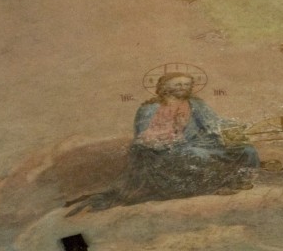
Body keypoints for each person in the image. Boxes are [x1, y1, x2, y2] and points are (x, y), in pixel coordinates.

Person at [68, 72, 259, 212]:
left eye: (187, 84)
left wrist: (233, 127)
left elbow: (213, 123)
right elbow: (143, 136)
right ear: (165, 87)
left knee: (245, 149)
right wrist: (169, 137)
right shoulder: (150, 108)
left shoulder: (197, 104)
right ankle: (215, 186)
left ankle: (239, 180)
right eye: (178, 84)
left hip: (199, 142)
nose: (183, 88)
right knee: (195, 155)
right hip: (162, 149)